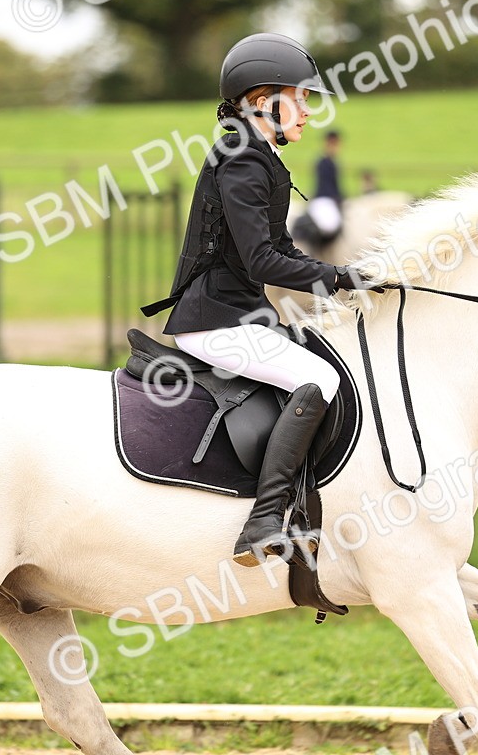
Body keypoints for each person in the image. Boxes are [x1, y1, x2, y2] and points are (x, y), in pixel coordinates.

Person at [140, 33, 382, 568]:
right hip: (215, 320)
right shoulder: (243, 160)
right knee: (320, 380)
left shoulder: (258, 155)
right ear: (259, 101)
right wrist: (342, 277)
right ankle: (265, 519)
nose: (307, 111)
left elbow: (284, 250)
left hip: (239, 314)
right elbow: (261, 263)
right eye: (299, 98)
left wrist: (351, 284)